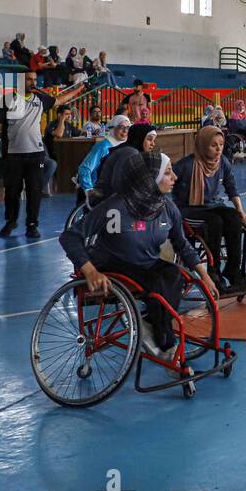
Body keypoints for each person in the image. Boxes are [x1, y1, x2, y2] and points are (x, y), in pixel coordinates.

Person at [59, 150, 214, 361]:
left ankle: (151, 324)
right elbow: (69, 237)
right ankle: (167, 348)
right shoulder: (115, 206)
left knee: (174, 275)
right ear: (150, 179)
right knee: (156, 283)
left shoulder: (167, 207)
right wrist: (90, 270)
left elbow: (182, 244)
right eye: (168, 173)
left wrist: (204, 275)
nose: (175, 178)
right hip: (112, 264)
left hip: (145, 264)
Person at [0, 70, 87, 238]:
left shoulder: (40, 99)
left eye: (34, 79)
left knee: (34, 191)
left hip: (36, 154)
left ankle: (32, 225)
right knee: (12, 191)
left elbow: (60, 100)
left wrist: (78, 89)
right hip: (13, 154)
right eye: (29, 79)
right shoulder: (7, 100)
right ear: (21, 81)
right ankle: (11, 222)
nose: (32, 82)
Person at [172, 126, 246, 290]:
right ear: (202, 145)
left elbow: (232, 188)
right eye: (213, 145)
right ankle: (213, 272)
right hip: (190, 209)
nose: (218, 149)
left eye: (221, 144)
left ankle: (232, 270)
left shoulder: (223, 162)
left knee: (234, 218)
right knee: (214, 223)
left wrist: (241, 210)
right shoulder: (186, 165)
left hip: (213, 205)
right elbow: (166, 182)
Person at [75, 114, 132, 198]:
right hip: (100, 191)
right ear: (112, 128)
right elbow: (84, 168)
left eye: (128, 128)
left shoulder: (127, 146)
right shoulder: (103, 146)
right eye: (121, 127)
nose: (125, 131)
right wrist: (89, 190)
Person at [98, 122, 158, 198]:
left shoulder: (131, 150)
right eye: (149, 139)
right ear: (140, 138)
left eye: (154, 140)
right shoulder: (130, 152)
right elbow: (117, 184)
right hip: (108, 199)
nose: (153, 144)